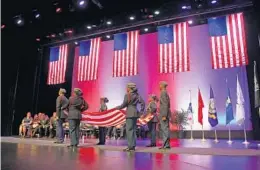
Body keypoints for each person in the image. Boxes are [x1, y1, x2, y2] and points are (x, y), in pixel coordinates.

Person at [115, 83, 145, 151]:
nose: (126, 88)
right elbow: (143, 103)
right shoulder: (137, 95)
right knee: (133, 130)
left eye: (127, 87)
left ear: (129, 88)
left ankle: (130, 146)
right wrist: (141, 112)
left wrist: (117, 108)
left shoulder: (127, 95)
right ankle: (133, 146)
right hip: (135, 113)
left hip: (129, 113)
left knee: (129, 130)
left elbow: (124, 105)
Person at [158, 81, 171, 149]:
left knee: (164, 129)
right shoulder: (165, 92)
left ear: (162, 86)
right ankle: (167, 144)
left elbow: (165, 105)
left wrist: (164, 115)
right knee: (166, 129)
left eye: (160, 85)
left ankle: (165, 145)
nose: (159, 86)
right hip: (166, 113)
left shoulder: (163, 93)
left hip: (164, 113)